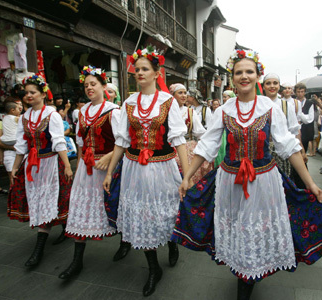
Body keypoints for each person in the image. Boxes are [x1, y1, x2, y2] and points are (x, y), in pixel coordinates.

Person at [178, 49, 322, 299]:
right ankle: (243, 271)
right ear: (232, 78)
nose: (244, 76)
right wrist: (187, 176)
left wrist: (310, 182)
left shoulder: (268, 107)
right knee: (238, 228)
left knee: (255, 228)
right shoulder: (224, 109)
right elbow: (207, 146)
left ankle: (248, 275)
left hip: (264, 180)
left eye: (249, 72)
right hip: (230, 180)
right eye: (238, 72)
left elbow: (287, 146)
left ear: (257, 76)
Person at [103, 47, 189, 297]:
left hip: (162, 166)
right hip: (134, 169)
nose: (139, 73)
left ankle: (172, 243)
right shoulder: (128, 103)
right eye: (136, 69)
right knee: (141, 217)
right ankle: (153, 268)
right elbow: (121, 140)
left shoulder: (168, 101)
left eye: (144, 69)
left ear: (156, 73)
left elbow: (179, 139)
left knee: (167, 210)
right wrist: (110, 172)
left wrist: (185, 174)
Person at [57, 66, 120, 280]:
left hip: (110, 167)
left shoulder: (114, 110)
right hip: (88, 167)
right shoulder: (82, 112)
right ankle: (77, 261)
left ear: (104, 86)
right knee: (80, 208)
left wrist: (109, 157)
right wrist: (80, 165)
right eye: (86, 85)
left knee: (117, 207)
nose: (89, 88)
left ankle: (126, 242)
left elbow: (124, 143)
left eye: (94, 84)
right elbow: (81, 142)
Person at [8, 75, 73, 268]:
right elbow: (21, 145)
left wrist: (67, 165)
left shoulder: (52, 114)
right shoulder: (25, 117)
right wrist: (15, 167)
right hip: (33, 165)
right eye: (26, 92)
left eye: (32, 92)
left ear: (42, 94)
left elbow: (59, 142)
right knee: (44, 200)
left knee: (54, 198)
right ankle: (65, 227)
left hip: (51, 163)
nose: (28, 95)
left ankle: (38, 250)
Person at [169, 83, 209, 185]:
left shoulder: (190, 112)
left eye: (185, 93)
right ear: (173, 95)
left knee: (192, 179)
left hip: (188, 149)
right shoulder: (166, 112)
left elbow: (200, 133)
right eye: (180, 93)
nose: (183, 95)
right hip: (170, 149)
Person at [263, 73, 300, 177]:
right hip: (262, 151)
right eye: (268, 83)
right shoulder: (259, 104)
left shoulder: (286, 105)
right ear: (263, 86)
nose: (272, 86)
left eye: (275, 83)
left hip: (281, 152)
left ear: (279, 86)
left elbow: (294, 130)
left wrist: (300, 151)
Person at [0, 100, 22, 186]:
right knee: (13, 177)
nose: (20, 108)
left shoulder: (4, 119)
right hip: (11, 152)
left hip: (17, 150)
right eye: (18, 106)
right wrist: (12, 147)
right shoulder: (17, 119)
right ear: (12, 110)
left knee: (17, 177)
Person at [294, 83, 315, 154]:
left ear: (305, 92)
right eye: (298, 92)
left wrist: (299, 112)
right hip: (294, 131)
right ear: (295, 92)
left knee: (303, 151)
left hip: (305, 132)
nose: (300, 94)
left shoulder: (309, 103)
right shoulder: (292, 102)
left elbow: (309, 119)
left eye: (302, 92)